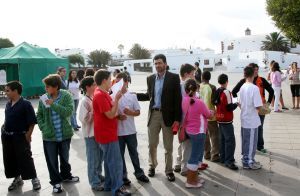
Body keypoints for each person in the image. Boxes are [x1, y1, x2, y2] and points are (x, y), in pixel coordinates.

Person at [137, 54, 182, 182]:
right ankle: (152, 166)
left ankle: (169, 170)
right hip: (154, 115)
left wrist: (177, 119)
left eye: (159, 63)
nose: (157, 65)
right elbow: (148, 95)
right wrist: (133, 95)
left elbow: (177, 100)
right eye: (155, 63)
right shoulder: (150, 78)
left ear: (165, 64)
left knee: (168, 146)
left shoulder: (173, 78)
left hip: (168, 116)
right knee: (152, 144)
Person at [37, 74, 79, 193]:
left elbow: (68, 112)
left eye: (48, 86)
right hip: (49, 136)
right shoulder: (43, 98)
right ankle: (56, 182)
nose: (45, 89)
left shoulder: (66, 95)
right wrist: (43, 127)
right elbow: (39, 115)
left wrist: (53, 104)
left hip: (64, 134)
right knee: (52, 161)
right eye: (45, 86)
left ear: (56, 86)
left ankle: (66, 176)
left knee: (65, 158)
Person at [93, 70, 131, 196]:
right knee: (115, 162)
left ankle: (109, 185)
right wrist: (117, 99)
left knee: (110, 161)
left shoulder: (103, 94)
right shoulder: (100, 95)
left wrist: (117, 116)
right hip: (107, 134)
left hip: (107, 133)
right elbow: (110, 114)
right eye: (110, 80)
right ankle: (117, 188)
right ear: (104, 80)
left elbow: (110, 113)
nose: (111, 82)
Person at [1, 81, 41, 192]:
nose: (6, 92)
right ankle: (17, 178)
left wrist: (28, 134)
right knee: (10, 158)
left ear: (15, 91)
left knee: (26, 158)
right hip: (7, 137)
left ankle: (34, 179)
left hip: (20, 136)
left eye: (8, 90)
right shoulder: (9, 103)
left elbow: (32, 122)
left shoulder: (26, 104)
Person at [115, 73, 149, 185]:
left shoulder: (132, 96)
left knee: (134, 153)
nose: (117, 84)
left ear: (126, 82)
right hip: (118, 133)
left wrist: (131, 112)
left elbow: (138, 112)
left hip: (130, 131)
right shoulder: (113, 96)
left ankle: (139, 173)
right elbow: (109, 114)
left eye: (120, 82)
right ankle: (123, 176)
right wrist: (118, 116)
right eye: (116, 81)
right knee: (120, 156)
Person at [232, 63, 274, 153]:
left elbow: (271, 91)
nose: (256, 72)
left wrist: (268, 103)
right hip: (249, 110)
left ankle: (259, 146)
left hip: (261, 108)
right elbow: (234, 92)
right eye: (255, 70)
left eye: (257, 70)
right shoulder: (244, 81)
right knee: (248, 130)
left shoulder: (261, 80)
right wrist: (237, 103)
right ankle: (249, 149)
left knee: (260, 127)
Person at [182, 79, 212, 188]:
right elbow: (208, 115)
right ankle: (190, 181)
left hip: (190, 131)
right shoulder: (199, 102)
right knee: (195, 157)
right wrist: (212, 112)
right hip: (199, 132)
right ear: (197, 89)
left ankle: (194, 178)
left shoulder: (184, 100)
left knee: (198, 156)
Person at [78, 76, 104, 191]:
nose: (96, 86)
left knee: (99, 157)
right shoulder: (85, 101)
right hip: (90, 135)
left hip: (98, 133)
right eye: (93, 85)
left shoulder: (93, 98)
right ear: (87, 87)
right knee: (93, 159)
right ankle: (94, 182)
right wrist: (93, 111)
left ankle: (98, 175)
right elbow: (83, 119)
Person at [174, 64, 196, 176]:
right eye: (192, 74)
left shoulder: (177, 85)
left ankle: (178, 163)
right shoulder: (188, 86)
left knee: (182, 141)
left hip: (180, 119)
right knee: (188, 144)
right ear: (186, 74)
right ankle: (185, 167)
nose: (194, 76)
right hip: (188, 119)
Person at [239, 67, 263, 170]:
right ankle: (248, 162)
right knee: (251, 142)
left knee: (246, 141)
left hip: (245, 117)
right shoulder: (254, 88)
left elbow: (239, 103)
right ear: (253, 74)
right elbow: (258, 106)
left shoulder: (243, 86)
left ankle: (248, 159)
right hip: (251, 119)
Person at [214, 74, 239, 170]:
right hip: (226, 120)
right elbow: (229, 107)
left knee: (222, 139)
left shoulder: (217, 91)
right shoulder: (226, 92)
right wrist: (236, 103)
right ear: (226, 81)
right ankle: (229, 161)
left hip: (219, 118)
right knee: (230, 141)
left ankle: (223, 158)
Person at [199, 71, 220, 163]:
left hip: (201, 115)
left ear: (202, 77)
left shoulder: (198, 87)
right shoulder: (212, 87)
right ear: (209, 78)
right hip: (211, 115)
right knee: (214, 135)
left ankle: (206, 153)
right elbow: (214, 101)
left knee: (205, 135)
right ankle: (215, 155)